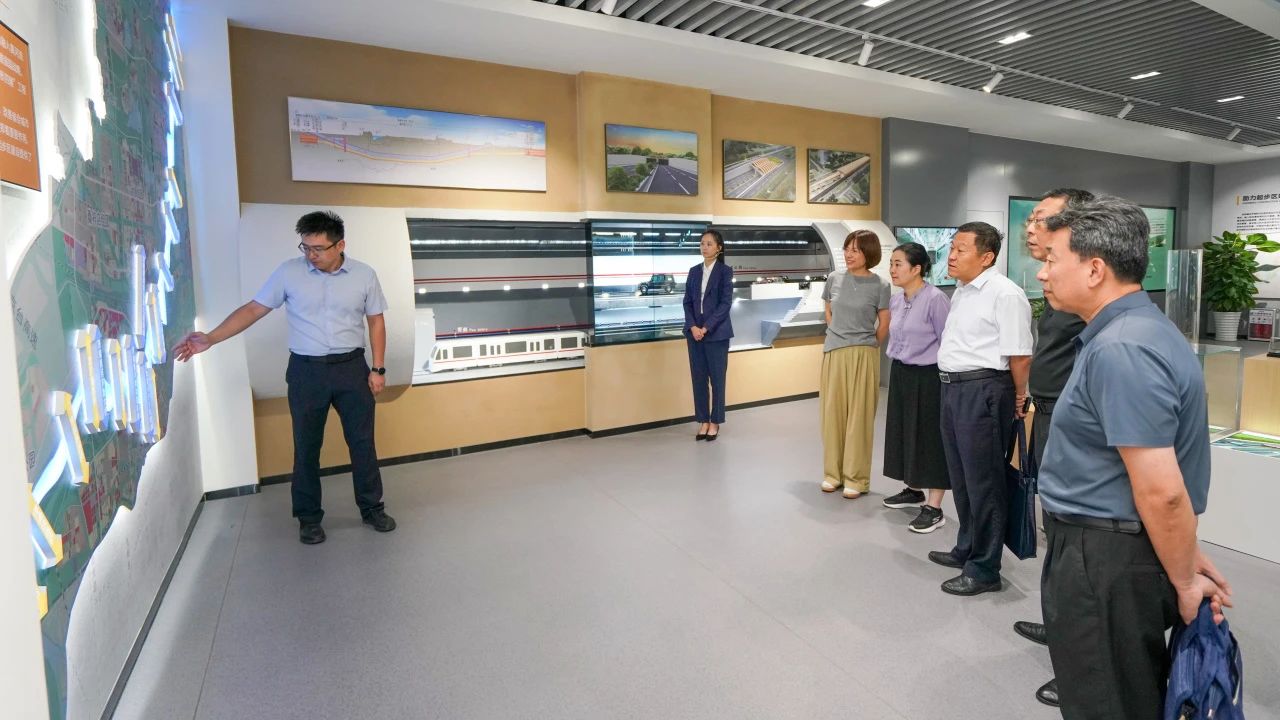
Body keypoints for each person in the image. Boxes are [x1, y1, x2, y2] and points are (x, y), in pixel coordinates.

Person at [1036, 195, 1232, 720]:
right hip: (1113, 546)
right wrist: (1183, 555)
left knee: (1108, 701)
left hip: (1104, 556)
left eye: (1053, 259)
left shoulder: (1121, 347)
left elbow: (1162, 490)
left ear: (1095, 269)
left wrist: (1185, 580)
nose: (1043, 273)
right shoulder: (1133, 330)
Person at [173, 210, 396, 545]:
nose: (311, 255)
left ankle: (372, 508)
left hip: (352, 368)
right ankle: (308, 518)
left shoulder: (364, 275)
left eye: (318, 248)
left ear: (340, 245)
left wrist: (378, 369)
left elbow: (376, 320)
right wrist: (211, 338)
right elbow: (253, 309)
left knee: (362, 443)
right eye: (306, 247)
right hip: (306, 371)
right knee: (306, 446)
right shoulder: (289, 272)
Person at [1010, 188, 1095, 708]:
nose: (1031, 227)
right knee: (1056, 530)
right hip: (1047, 412)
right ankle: (1060, 623)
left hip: (1069, 419)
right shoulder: (1057, 285)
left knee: (1078, 540)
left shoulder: (1091, 298)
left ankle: (1083, 661)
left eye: (1041, 219)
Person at [926, 222, 1032, 596]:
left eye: (961, 249)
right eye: (952, 248)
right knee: (962, 477)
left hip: (984, 390)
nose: (951, 256)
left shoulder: (1005, 294)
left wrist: (1019, 396)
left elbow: (1020, 354)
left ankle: (985, 568)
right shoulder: (962, 290)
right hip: (953, 389)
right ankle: (967, 547)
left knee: (985, 482)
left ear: (986, 257)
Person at [880, 242, 952, 532]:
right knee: (904, 431)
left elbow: (947, 341)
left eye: (898, 264)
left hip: (929, 376)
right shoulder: (897, 300)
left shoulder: (935, 299)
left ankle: (934, 507)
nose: (892, 269)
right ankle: (913, 489)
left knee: (929, 438)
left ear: (917, 268)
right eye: (892, 264)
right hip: (901, 372)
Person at [820, 230, 891, 499]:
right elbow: (828, 310)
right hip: (834, 352)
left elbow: (884, 322)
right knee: (832, 415)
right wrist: (837, 332)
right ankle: (833, 474)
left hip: (863, 353)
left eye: (856, 250)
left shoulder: (880, 285)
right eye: (847, 248)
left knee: (859, 418)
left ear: (869, 253)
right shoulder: (833, 279)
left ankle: (856, 478)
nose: (849, 254)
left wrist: (870, 345)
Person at [683, 229, 734, 441]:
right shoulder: (694, 271)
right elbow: (687, 302)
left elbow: (725, 304)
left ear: (719, 248)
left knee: (717, 380)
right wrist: (693, 327)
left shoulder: (725, 271)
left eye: (709, 244)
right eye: (702, 243)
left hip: (716, 334)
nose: (704, 247)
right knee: (699, 379)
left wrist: (706, 327)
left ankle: (715, 421)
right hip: (694, 334)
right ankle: (703, 420)